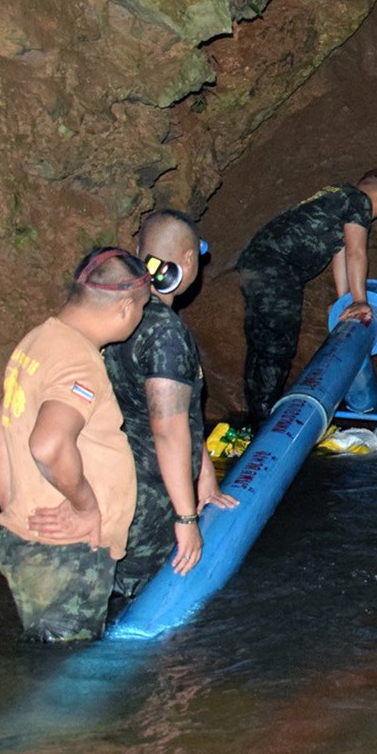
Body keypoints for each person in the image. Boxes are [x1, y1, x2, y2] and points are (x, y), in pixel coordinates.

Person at [0, 249, 148, 640]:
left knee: (46, 660)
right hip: (66, 554)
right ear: (126, 307)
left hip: (30, 543)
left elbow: (2, 423)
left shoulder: (38, 341)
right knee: (66, 681)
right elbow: (48, 443)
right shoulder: (79, 362)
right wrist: (86, 506)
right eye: (143, 309)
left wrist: (11, 503)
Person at [107, 212, 238, 599]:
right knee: (140, 603)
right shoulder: (165, 333)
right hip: (147, 507)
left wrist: (205, 474)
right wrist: (186, 517)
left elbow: (177, 414)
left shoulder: (117, 313)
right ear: (187, 261)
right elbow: (167, 427)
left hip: (112, 487)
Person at [235, 170, 377, 422]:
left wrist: (345, 301)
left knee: (261, 345)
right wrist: (360, 301)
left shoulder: (337, 197)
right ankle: (264, 423)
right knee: (277, 348)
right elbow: (357, 252)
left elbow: (341, 253)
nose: (375, 217)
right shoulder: (359, 201)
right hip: (276, 269)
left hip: (254, 264)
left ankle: (254, 417)